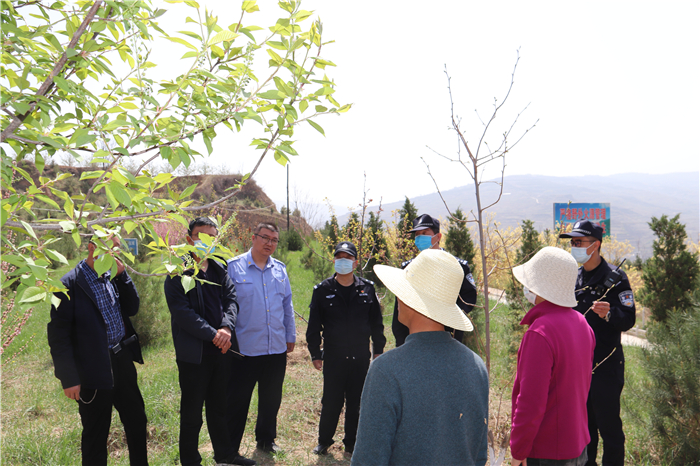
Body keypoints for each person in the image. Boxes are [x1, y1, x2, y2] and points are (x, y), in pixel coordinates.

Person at [352, 249, 489, 466]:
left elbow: (368, 459)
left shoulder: (387, 371)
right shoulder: (476, 366)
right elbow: (479, 453)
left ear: (409, 299)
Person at [47, 234, 148, 466]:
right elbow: (58, 336)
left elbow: (132, 308)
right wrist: (68, 378)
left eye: (117, 249)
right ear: (92, 248)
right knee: (96, 432)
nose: (114, 254)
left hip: (121, 359)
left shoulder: (111, 275)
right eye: (110, 248)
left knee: (136, 421)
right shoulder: (67, 285)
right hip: (92, 368)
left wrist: (123, 276)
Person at [163, 217, 246, 466]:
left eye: (211, 236)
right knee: (192, 413)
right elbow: (182, 312)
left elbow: (231, 299)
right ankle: (190, 461)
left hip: (221, 351)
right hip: (194, 354)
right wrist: (214, 334)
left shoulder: (220, 268)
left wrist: (226, 327)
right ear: (189, 238)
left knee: (219, 407)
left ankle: (225, 455)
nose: (205, 241)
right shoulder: (179, 270)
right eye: (201, 235)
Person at [510, 246, 596, 466]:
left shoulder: (540, 332)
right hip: (577, 444)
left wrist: (518, 450)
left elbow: (531, 402)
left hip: (546, 450)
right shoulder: (582, 323)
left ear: (539, 286)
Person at [559, 220, 636, 466]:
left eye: (579, 242)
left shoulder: (616, 278)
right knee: (585, 428)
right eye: (572, 242)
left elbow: (629, 319)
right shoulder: (574, 276)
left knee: (609, 428)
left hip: (605, 365)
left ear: (595, 245)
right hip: (578, 365)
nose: (574, 247)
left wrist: (609, 313)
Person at [306, 241, 386, 457]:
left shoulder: (367, 289)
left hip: (360, 357)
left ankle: (352, 443)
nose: (343, 261)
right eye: (339, 258)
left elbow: (376, 324)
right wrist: (315, 353)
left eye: (348, 258)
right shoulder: (322, 290)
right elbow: (314, 326)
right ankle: (324, 441)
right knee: (331, 401)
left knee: (356, 401)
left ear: (355, 263)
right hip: (334, 357)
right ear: (334, 261)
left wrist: (378, 351)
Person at [226, 222, 296, 457]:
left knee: (271, 399)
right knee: (237, 400)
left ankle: (266, 440)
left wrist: (290, 334)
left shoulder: (280, 270)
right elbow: (226, 305)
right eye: (265, 237)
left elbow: (287, 304)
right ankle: (230, 449)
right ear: (253, 237)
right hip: (244, 350)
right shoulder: (234, 268)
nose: (269, 243)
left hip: (275, 347)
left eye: (274, 240)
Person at [391, 213, 477, 346]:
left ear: (438, 236)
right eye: (417, 235)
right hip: (414, 338)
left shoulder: (457, 266)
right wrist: (401, 343)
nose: (420, 238)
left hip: (447, 337)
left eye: (424, 233)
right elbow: (400, 307)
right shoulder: (408, 268)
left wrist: (445, 318)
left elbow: (468, 299)